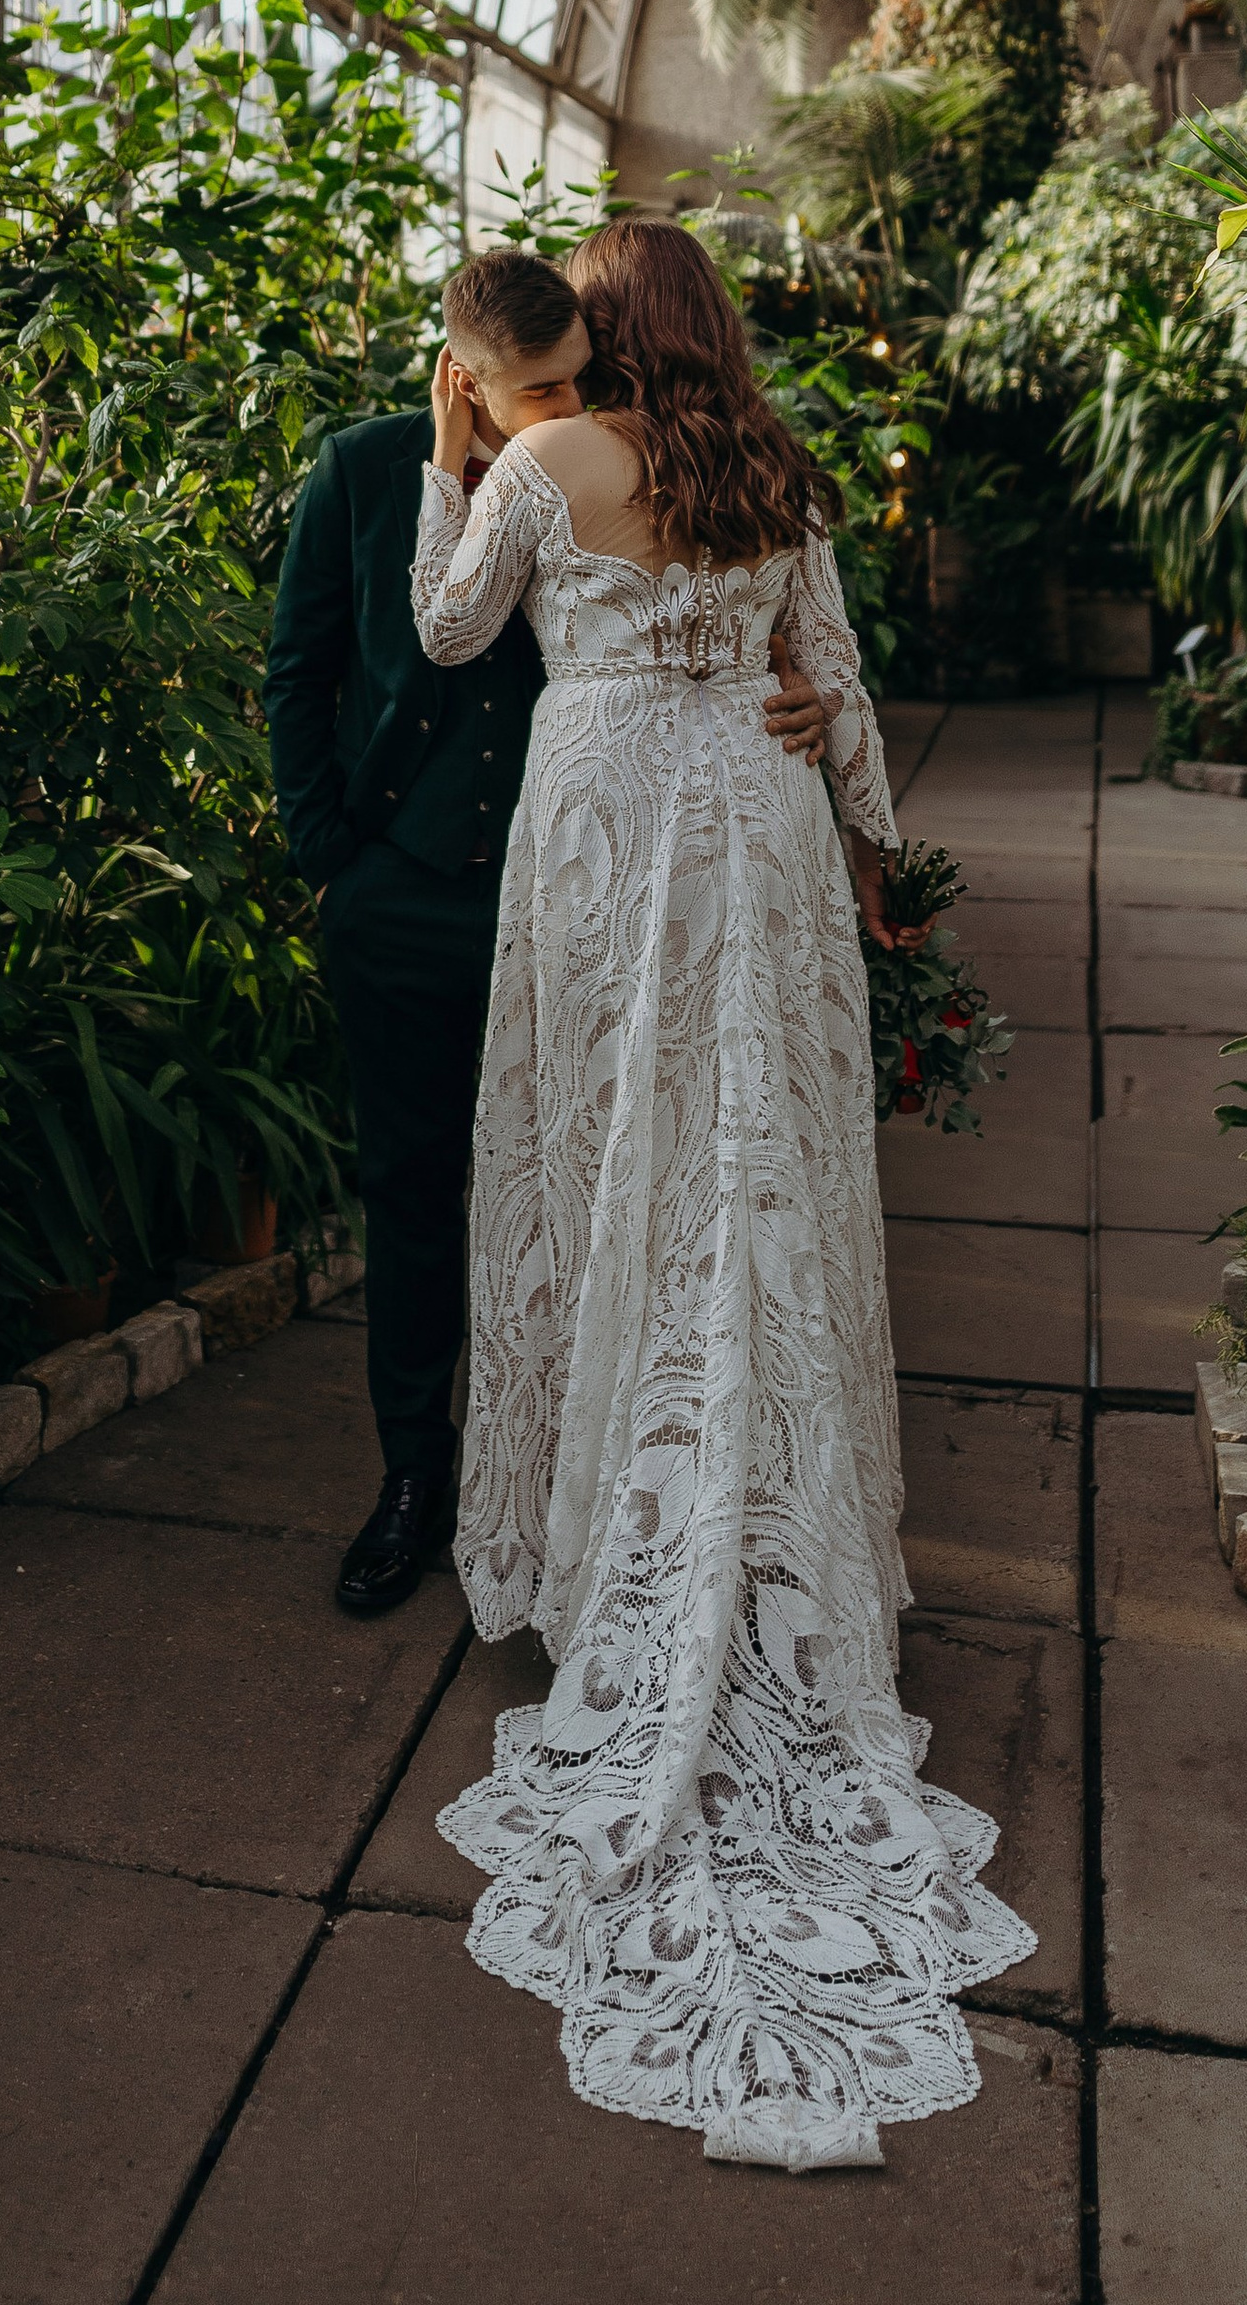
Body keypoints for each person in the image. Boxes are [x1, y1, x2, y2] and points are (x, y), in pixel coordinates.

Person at [409, 218, 1031, 2167]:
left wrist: (447, 449)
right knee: (750, 1183)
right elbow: (835, 691)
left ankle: (611, 1549)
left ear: (599, 325)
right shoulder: (771, 469)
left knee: (610, 1176)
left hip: (606, 835)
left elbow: (447, 630)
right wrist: (878, 862)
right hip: (753, 847)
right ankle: (771, 1550)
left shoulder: (537, 455)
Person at [264, 246, 829, 1619]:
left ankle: (572, 1496)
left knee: (590, 1192)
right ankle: (414, 1479)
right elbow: (299, 673)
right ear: (467, 379)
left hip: (587, 901)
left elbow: (737, 620)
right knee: (412, 1193)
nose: (572, 400)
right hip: (405, 894)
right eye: (545, 386)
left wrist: (801, 694)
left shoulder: (620, 462)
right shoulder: (364, 469)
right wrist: (336, 863)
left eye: (583, 376)